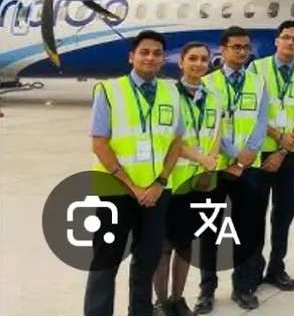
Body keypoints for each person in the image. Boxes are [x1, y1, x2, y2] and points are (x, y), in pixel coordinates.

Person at [84, 30, 184, 316]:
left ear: (163, 59)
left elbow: (176, 143)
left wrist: (160, 182)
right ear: (132, 57)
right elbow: (99, 143)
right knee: (106, 259)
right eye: (144, 52)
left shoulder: (171, 92)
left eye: (157, 53)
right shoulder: (109, 91)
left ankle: (140, 311)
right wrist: (133, 186)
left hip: (156, 192)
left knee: (148, 258)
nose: (150, 58)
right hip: (116, 189)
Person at [198, 26, 269, 312]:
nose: (242, 52)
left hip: (249, 167)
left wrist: (248, 154)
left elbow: (261, 121)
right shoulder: (208, 83)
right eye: (236, 47)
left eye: (246, 47)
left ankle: (243, 287)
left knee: (247, 229)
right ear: (223, 49)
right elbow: (208, 123)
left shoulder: (258, 82)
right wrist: (232, 154)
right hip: (217, 165)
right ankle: (207, 289)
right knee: (210, 229)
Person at [153, 42, 224, 316]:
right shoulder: (168, 94)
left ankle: (177, 297)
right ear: (181, 62)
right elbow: (172, 140)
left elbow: (217, 133)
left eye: (204, 59)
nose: (198, 64)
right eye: (192, 58)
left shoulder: (214, 96)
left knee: (185, 245)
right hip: (172, 181)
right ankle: (161, 302)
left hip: (200, 183)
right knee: (164, 247)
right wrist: (202, 160)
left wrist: (210, 166)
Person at [249, 20, 294, 292]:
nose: (290, 42)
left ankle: (276, 267)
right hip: (260, 151)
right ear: (276, 41)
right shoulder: (257, 68)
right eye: (286, 37)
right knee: (255, 212)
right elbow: (250, 108)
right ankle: (252, 270)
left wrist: (285, 148)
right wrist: (278, 137)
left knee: (284, 212)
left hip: (290, 153)